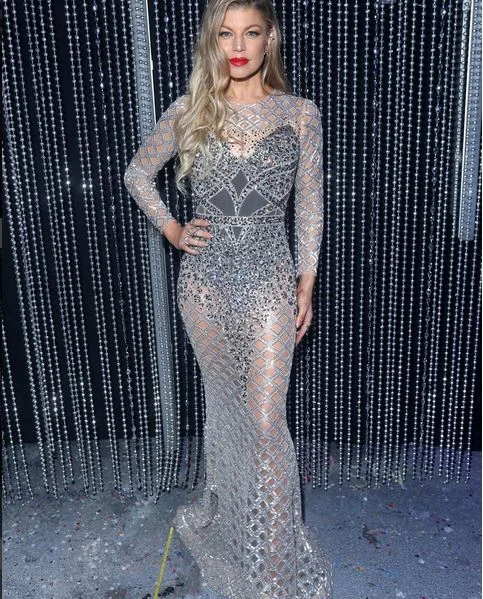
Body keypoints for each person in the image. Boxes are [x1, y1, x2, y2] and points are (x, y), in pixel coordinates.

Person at [124, 0, 333, 596]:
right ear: (212, 42)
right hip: (204, 287)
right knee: (226, 414)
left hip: (269, 283)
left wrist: (306, 280)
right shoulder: (189, 109)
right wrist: (172, 229)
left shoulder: (299, 113)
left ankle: (272, 573)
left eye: (251, 33)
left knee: (265, 423)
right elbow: (137, 174)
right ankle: (233, 524)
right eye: (225, 34)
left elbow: (310, 204)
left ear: (271, 39)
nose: (238, 47)